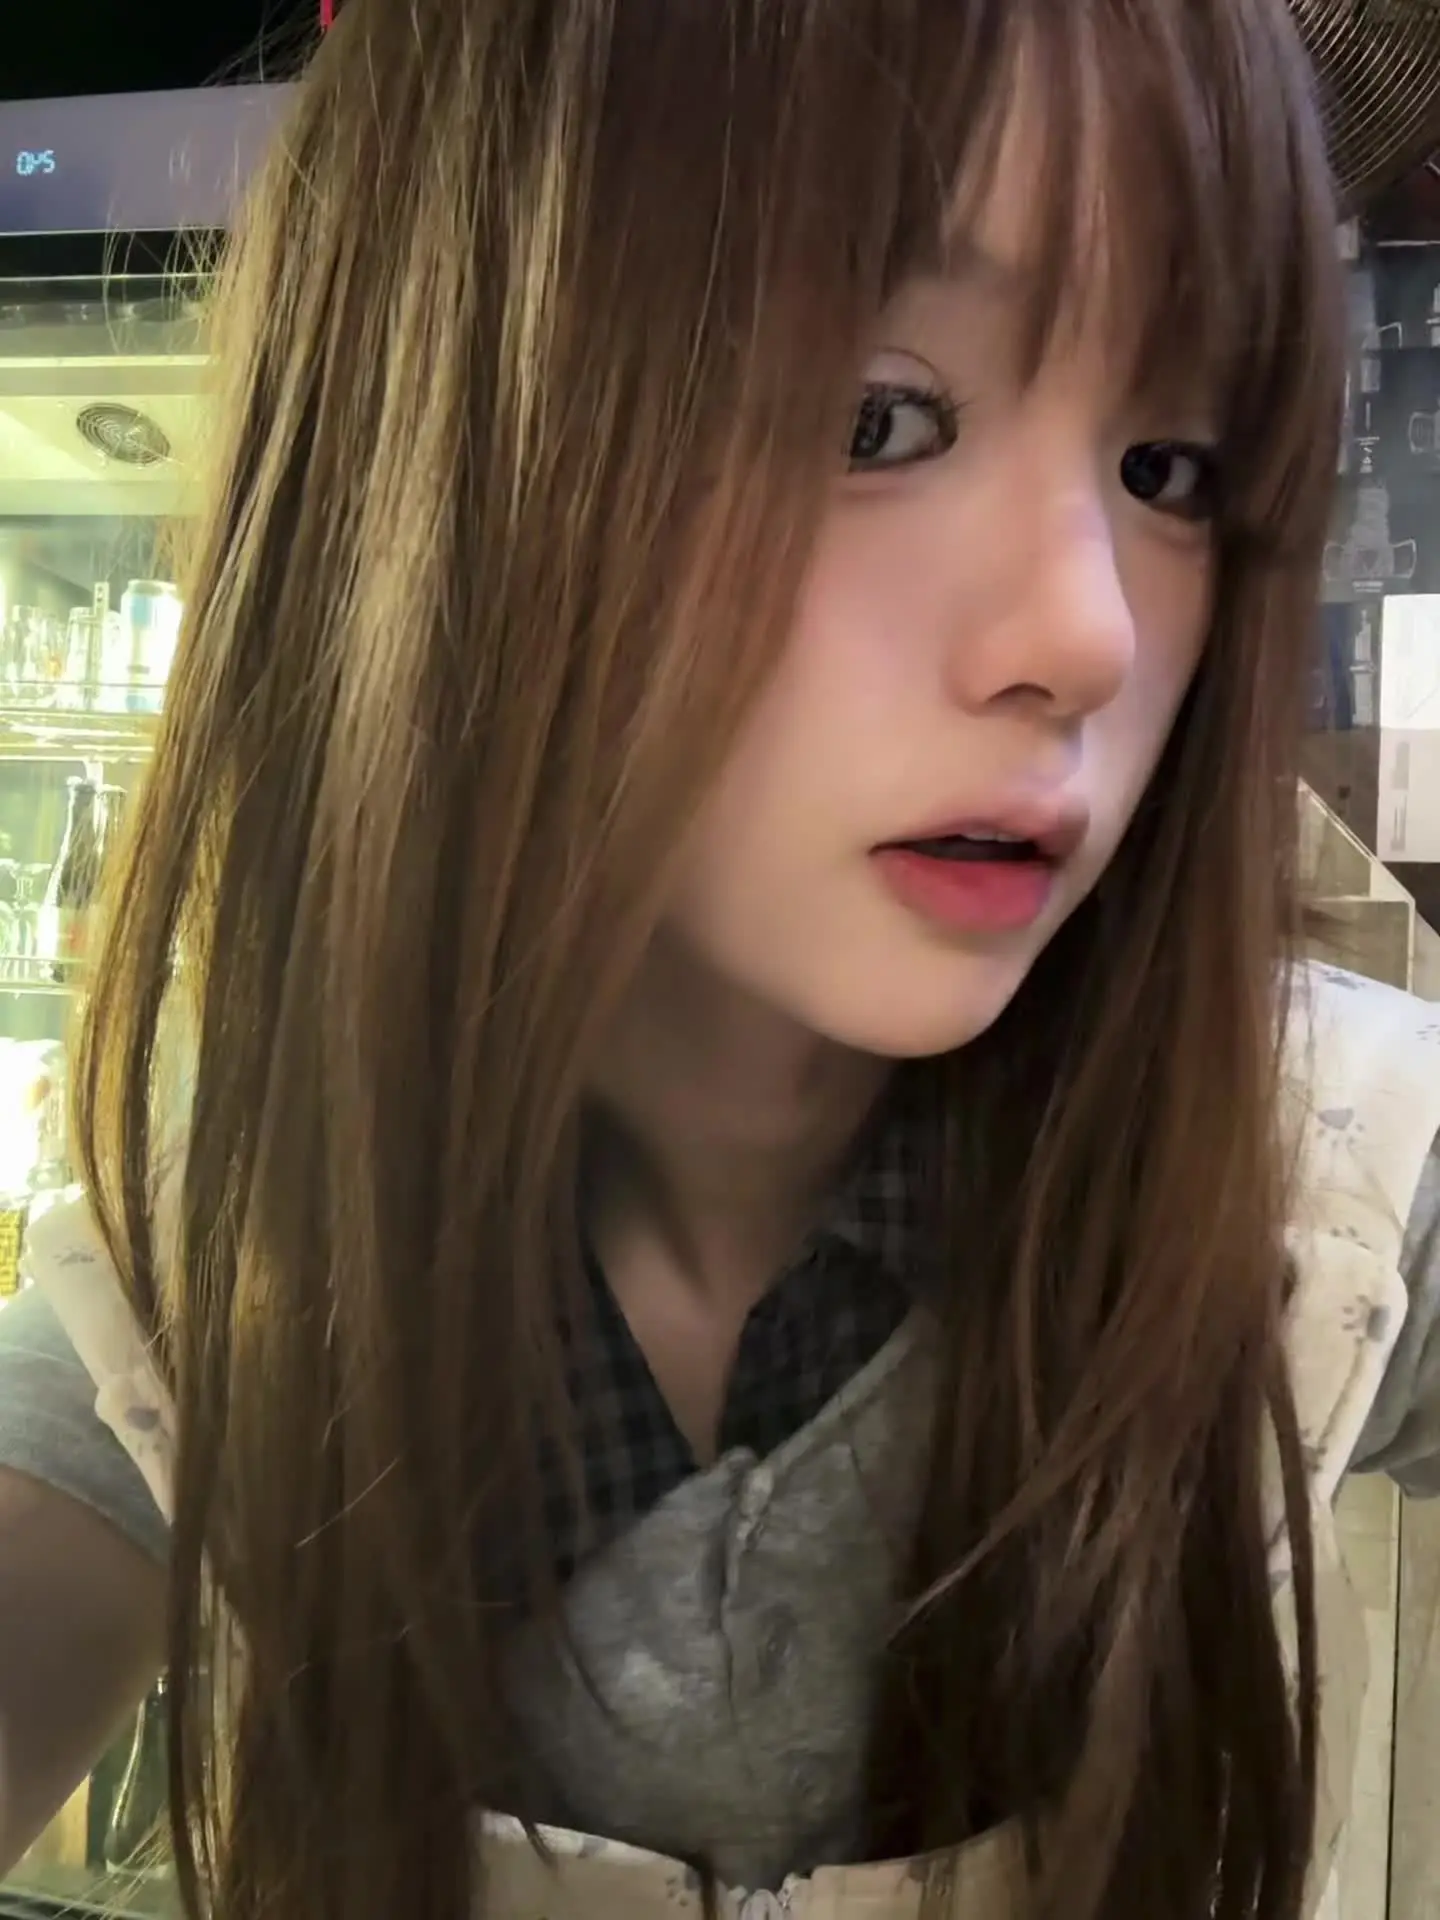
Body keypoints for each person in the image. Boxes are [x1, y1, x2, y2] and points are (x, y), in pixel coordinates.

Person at [1, 1, 1439, 1917]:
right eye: (877, 422)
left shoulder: (1321, 1172)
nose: (1086, 633)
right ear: (441, 451)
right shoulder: (234, 1249)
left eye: (1172, 467)